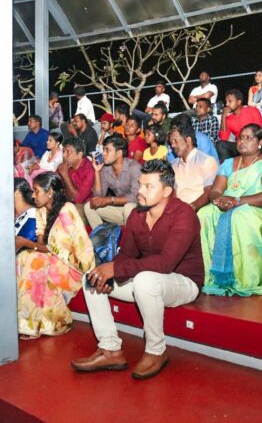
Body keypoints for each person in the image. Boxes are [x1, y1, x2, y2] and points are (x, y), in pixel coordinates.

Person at [71, 160, 202, 379]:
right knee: (91, 279)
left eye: (149, 186)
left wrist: (116, 268)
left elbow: (165, 263)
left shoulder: (184, 214)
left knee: (144, 281)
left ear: (166, 191)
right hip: (147, 277)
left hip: (183, 282)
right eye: (140, 184)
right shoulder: (136, 214)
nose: (140, 191)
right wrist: (112, 272)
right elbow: (127, 255)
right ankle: (110, 349)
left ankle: (156, 351)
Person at [199, 124, 262, 297]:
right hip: (230, 205)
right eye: (240, 138)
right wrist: (218, 200)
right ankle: (213, 277)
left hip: (261, 209)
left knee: (239, 216)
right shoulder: (228, 164)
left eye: (249, 138)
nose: (242, 141)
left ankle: (246, 280)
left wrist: (237, 201)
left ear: (260, 142)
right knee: (204, 214)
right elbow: (215, 190)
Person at [16, 173, 93, 337]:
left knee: (35, 260)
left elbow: (56, 250)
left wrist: (25, 243)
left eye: (36, 191)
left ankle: (40, 323)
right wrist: (29, 246)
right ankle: (25, 319)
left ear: (50, 192)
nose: (33, 195)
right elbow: (42, 246)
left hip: (74, 266)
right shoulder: (41, 211)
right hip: (54, 259)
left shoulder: (67, 210)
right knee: (22, 258)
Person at [84, 135, 141, 229]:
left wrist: (110, 200)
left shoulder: (134, 167)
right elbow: (98, 197)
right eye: (103, 150)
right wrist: (97, 172)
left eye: (107, 150)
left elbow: (136, 197)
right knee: (89, 206)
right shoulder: (106, 169)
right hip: (120, 211)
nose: (103, 153)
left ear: (119, 153)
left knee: (129, 207)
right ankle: (102, 236)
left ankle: (129, 238)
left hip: (138, 212)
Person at [169, 120, 218, 211]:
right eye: (171, 142)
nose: (173, 145)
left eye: (176, 141)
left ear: (188, 140)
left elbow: (209, 192)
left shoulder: (207, 161)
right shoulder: (173, 165)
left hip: (199, 209)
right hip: (178, 211)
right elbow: (173, 193)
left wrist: (190, 208)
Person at [218, 89, 262, 161]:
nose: (227, 104)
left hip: (254, 144)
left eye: (230, 101)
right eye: (226, 102)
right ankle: (230, 167)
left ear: (238, 102)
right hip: (240, 146)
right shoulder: (228, 119)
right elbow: (223, 138)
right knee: (221, 145)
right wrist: (223, 116)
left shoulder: (252, 110)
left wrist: (248, 141)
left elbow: (260, 131)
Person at [57, 138, 94, 222]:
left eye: (68, 152)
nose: (64, 155)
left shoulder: (90, 169)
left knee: (76, 210)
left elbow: (78, 199)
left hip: (88, 205)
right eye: (63, 151)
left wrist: (65, 175)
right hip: (70, 201)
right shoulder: (67, 166)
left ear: (79, 155)